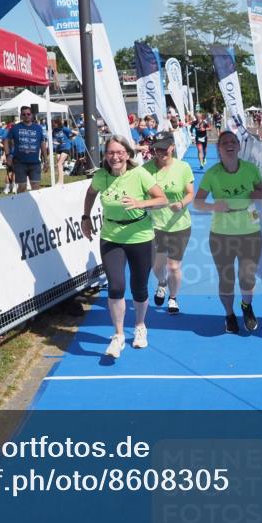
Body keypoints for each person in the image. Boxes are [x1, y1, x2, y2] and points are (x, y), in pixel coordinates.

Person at [81, 136, 167, 358]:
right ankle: (118, 335)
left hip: (140, 236)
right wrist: (86, 217)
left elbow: (162, 199)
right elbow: (91, 193)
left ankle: (140, 326)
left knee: (139, 287)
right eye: (110, 152)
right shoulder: (101, 176)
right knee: (116, 286)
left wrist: (141, 203)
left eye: (119, 152)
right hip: (111, 236)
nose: (115, 157)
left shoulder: (139, 174)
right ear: (105, 155)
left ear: (127, 154)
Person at [194, 130, 262, 335]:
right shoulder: (212, 174)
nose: (229, 144)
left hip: (250, 231)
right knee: (226, 279)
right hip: (221, 233)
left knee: (247, 277)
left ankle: (246, 306)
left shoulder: (250, 169)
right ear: (219, 148)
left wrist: (256, 194)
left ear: (238, 146)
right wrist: (213, 207)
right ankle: (229, 315)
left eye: (233, 141)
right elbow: (197, 202)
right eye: (225, 142)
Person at [145, 133, 195, 314]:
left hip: (179, 225)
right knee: (157, 267)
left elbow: (190, 193)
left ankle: (173, 298)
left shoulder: (183, 167)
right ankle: (162, 282)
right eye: (157, 148)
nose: (160, 152)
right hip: (155, 226)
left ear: (172, 147)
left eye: (164, 148)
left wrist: (181, 203)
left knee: (173, 266)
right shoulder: (146, 169)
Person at [6, 106, 47, 193]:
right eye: (24, 114)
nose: (26, 116)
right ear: (21, 116)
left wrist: (46, 160)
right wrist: (8, 155)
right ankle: (20, 206)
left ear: (32, 115)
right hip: (20, 163)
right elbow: (6, 141)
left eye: (28, 114)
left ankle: (33, 206)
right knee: (22, 187)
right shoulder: (15, 128)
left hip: (35, 163)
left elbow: (42, 144)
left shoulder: (38, 128)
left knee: (36, 188)